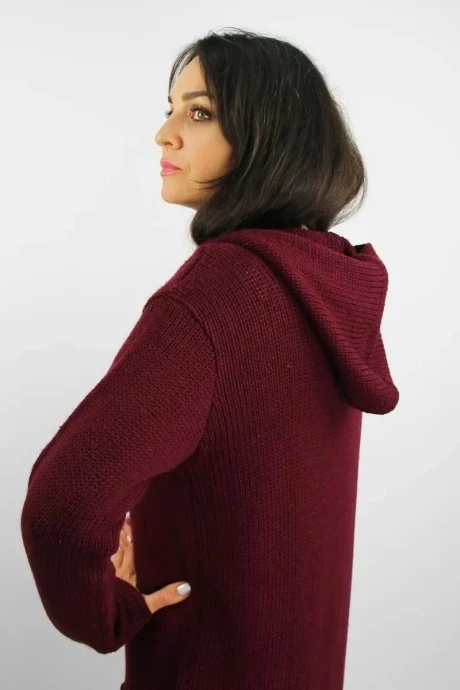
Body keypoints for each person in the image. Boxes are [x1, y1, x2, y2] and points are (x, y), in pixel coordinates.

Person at [20, 27, 399, 690]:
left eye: (198, 113)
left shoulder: (222, 290)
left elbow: (64, 504)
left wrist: (105, 614)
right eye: (169, 109)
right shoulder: (323, 283)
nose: (164, 135)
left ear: (268, 135)